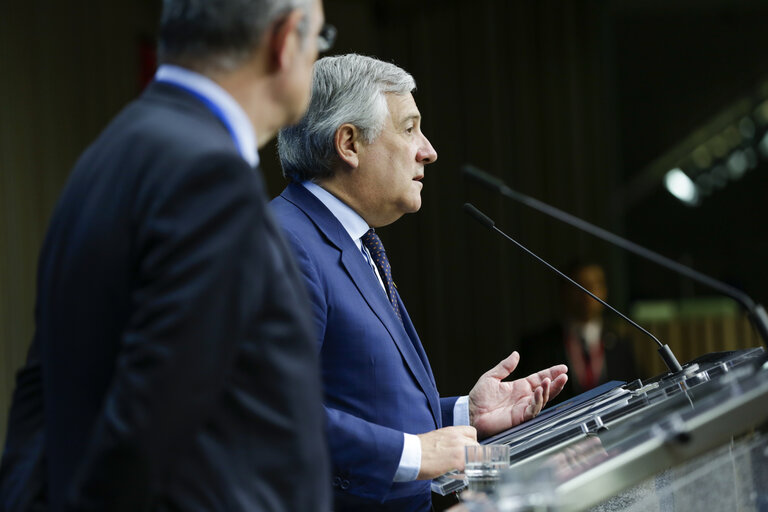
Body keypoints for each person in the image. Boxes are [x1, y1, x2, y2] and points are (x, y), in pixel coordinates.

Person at [0, 1, 334, 511]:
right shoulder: (208, 177)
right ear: (285, 39)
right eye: (320, 39)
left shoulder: (105, 155)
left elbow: (41, 396)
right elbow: (146, 428)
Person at [271, 53, 569, 512]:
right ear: (349, 143)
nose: (428, 150)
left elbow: (357, 398)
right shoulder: (283, 243)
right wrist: (415, 455)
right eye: (409, 128)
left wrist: (463, 415)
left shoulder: (349, 239)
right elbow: (271, 413)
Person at [518, 261, 638, 401]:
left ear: (605, 290)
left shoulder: (620, 344)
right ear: (564, 291)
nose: (588, 294)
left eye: (595, 285)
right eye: (579, 286)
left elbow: (636, 390)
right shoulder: (537, 346)